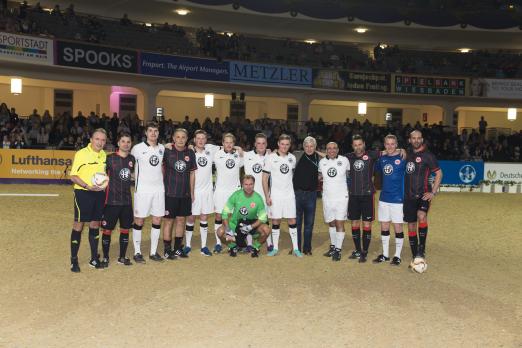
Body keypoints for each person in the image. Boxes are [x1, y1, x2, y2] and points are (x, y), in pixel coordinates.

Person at [68, 128, 108, 272]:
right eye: (97, 139)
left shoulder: (104, 155)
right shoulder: (82, 154)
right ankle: (73, 260)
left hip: (99, 194)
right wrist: (87, 186)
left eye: (103, 140)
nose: (100, 142)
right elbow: (73, 176)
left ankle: (93, 258)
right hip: (83, 193)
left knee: (95, 224)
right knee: (79, 225)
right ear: (91, 139)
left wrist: (102, 185)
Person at [404, 130, 443, 265]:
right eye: (413, 138)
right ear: (410, 140)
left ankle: (421, 248)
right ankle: (415, 253)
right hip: (408, 196)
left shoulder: (428, 156)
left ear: (422, 139)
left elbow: (439, 173)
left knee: (421, 216)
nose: (416, 140)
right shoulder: (406, 154)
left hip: (423, 194)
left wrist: (433, 192)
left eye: (418, 138)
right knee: (411, 225)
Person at [130, 122, 165, 263]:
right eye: (150, 131)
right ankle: (137, 252)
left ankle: (153, 252)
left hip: (158, 190)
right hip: (143, 191)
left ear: (158, 133)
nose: (153, 133)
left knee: (157, 220)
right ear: (146, 132)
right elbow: (130, 166)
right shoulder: (137, 149)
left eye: (155, 131)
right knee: (139, 220)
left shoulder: (162, 148)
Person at [262, 134, 301, 257]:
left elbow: (292, 176)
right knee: (275, 220)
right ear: (278, 144)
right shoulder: (270, 158)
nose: (284, 146)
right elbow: (264, 179)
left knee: (292, 220)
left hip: (289, 195)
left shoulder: (292, 158)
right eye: (282, 144)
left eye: (287, 144)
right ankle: (275, 248)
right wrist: (267, 196)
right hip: (276, 195)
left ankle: (296, 248)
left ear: (290, 145)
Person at [100, 133, 135, 267]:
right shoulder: (109, 159)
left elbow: (131, 176)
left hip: (126, 202)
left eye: (128, 141)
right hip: (111, 201)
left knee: (125, 229)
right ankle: (106, 258)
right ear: (118, 143)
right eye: (123, 141)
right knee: (107, 230)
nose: (126, 144)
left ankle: (122, 257)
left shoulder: (132, 159)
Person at [162, 128, 197, 259]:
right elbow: (160, 169)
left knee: (181, 220)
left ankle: (177, 248)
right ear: (173, 138)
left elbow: (192, 173)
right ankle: (167, 249)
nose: (180, 139)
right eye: (178, 137)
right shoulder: (167, 152)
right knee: (168, 222)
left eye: (183, 137)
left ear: (187, 139)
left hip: (185, 194)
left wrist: (192, 192)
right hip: (170, 193)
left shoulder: (190, 153)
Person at [216, 175, 271, 257]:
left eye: (251, 184)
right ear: (242, 185)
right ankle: (233, 246)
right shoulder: (236, 195)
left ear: (254, 184)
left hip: (252, 224)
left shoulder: (258, 198)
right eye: (246, 184)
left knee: (266, 229)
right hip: (236, 224)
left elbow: (262, 218)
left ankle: (255, 247)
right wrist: (228, 229)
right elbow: (225, 213)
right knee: (220, 231)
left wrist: (250, 227)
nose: (248, 187)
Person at [345, 135, 380, 263]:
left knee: (366, 224)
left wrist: (402, 150)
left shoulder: (372, 155)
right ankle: (358, 249)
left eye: (360, 144)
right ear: (352, 146)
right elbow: (331, 155)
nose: (358, 147)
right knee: (354, 223)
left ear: (364, 144)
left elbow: (389, 150)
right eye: (355, 145)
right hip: (353, 195)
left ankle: (364, 251)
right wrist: (315, 150)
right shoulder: (348, 157)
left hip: (367, 195)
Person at [184, 129, 219, 256]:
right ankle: (187, 245)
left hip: (207, 191)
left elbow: (228, 145)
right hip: (193, 191)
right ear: (194, 139)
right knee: (191, 218)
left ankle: (204, 246)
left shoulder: (211, 150)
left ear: (206, 140)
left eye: (203, 138)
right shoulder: (189, 152)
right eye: (198, 138)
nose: (200, 141)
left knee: (204, 218)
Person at [373, 135, 406, 266]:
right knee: (384, 226)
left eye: (393, 144)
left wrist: (404, 150)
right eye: (387, 144)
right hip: (384, 198)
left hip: (398, 199)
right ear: (384, 145)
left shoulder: (403, 157)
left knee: (398, 226)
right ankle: (385, 254)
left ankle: (397, 255)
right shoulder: (381, 159)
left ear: (396, 144)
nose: (390, 146)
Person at [212, 133, 243, 253]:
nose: (229, 144)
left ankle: (234, 241)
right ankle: (218, 243)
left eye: (231, 142)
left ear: (234, 144)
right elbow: (204, 146)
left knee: (233, 217)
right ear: (222, 143)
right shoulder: (216, 154)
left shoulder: (239, 155)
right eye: (226, 142)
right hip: (220, 191)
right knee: (219, 216)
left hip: (235, 191)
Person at [318, 142, 349, 261]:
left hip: (341, 197)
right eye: (329, 149)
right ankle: (333, 246)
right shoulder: (322, 162)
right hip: (327, 197)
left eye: (334, 148)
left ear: (338, 149)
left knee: (339, 223)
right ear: (326, 150)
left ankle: (338, 250)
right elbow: (320, 177)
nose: (331, 151)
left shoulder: (345, 160)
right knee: (331, 222)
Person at [243, 133, 273, 251]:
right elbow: (230, 149)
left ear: (266, 145)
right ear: (255, 144)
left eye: (263, 143)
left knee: (265, 219)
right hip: (249, 194)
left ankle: (269, 243)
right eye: (258, 143)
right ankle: (249, 244)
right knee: (249, 219)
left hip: (265, 194)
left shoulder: (271, 156)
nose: (261, 145)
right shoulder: (246, 155)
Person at [293, 136, 320, 255]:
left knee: (309, 224)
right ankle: (296, 247)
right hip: (297, 194)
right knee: (297, 223)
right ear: (303, 147)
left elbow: (330, 155)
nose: (309, 149)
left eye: (312, 146)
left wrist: (318, 152)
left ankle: (307, 248)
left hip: (311, 195)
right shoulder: (296, 155)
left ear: (315, 147)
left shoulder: (319, 158)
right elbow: (281, 152)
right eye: (307, 146)